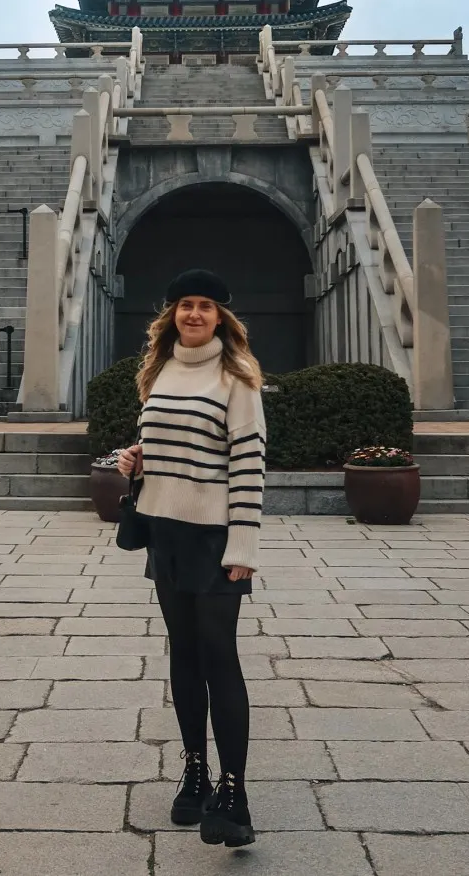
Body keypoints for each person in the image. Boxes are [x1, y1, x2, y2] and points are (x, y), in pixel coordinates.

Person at [118, 268, 265, 848]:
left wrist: (244, 548)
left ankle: (234, 790)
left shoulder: (238, 377)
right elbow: (160, 440)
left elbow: (249, 466)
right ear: (172, 313)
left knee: (219, 658)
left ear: (222, 317)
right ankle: (194, 769)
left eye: (206, 306)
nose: (195, 314)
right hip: (166, 532)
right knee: (183, 657)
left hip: (215, 538)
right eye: (185, 305)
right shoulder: (158, 370)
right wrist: (139, 459)